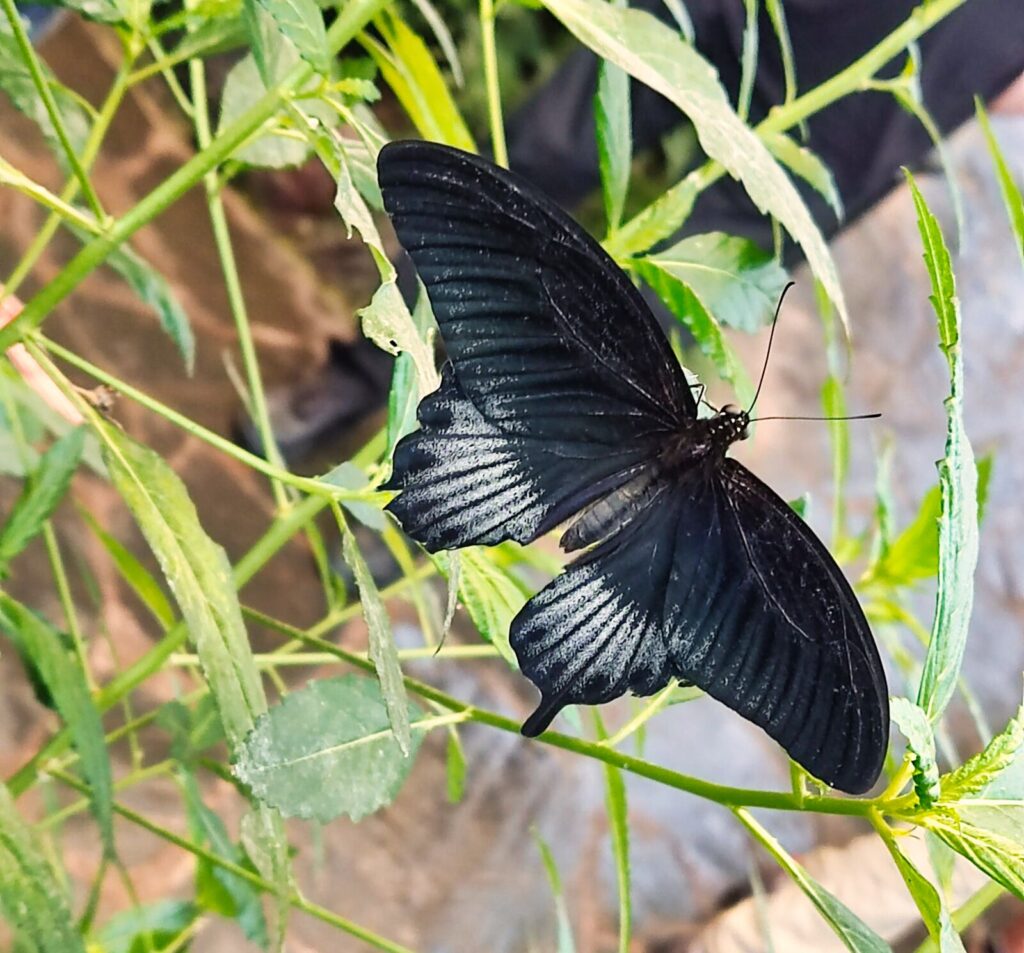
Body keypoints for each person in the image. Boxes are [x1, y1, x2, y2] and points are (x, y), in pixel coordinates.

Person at [249, 0, 1024, 460]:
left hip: (926, 67)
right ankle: (358, 372)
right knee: (541, 153)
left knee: (659, 300)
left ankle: (440, 487)